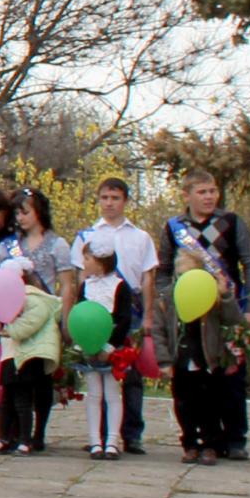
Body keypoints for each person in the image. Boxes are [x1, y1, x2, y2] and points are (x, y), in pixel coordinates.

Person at [162, 171, 250, 459]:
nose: (210, 197)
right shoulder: (175, 227)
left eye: (213, 191)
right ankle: (202, 439)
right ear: (187, 195)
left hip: (226, 308)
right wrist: (167, 300)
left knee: (231, 378)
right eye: (202, 192)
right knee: (196, 383)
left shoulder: (231, 222)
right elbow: (164, 269)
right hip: (190, 311)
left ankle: (235, 438)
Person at [73, 177, 158, 456]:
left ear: (125, 201)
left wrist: (147, 316)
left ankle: (130, 434)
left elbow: (147, 279)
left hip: (127, 309)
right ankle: (97, 435)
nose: (109, 203)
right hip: (93, 311)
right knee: (96, 381)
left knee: (129, 376)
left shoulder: (140, 236)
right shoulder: (86, 236)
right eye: (105, 197)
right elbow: (79, 278)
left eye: (115, 198)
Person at [0, 191, 78, 456]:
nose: (21, 218)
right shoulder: (7, 246)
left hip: (44, 316)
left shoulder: (58, 245)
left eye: (26, 212)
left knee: (40, 378)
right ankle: (12, 433)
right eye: (17, 213)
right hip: (14, 317)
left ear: (39, 211)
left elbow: (66, 285)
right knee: (12, 378)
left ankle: (38, 432)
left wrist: (64, 319)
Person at [167, 248, 245, 465]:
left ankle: (211, 445)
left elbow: (233, 319)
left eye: (190, 274)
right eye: (181, 274)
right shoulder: (169, 295)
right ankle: (190, 443)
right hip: (181, 358)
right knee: (184, 404)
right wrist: (164, 360)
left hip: (208, 358)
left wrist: (226, 295)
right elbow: (160, 328)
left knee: (211, 404)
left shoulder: (211, 294)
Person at [76, 241, 129, 460]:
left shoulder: (119, 286)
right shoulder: (86, 286)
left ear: (100, 262)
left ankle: (112, 440)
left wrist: (110, 345)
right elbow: (80, 315)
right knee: (93, 394)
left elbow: (124, 318)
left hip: (111, 347)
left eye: (87, 259)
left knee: (112, 394)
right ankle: (94, 440)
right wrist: (85, 342)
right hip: (89, 345)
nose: (84, 263)